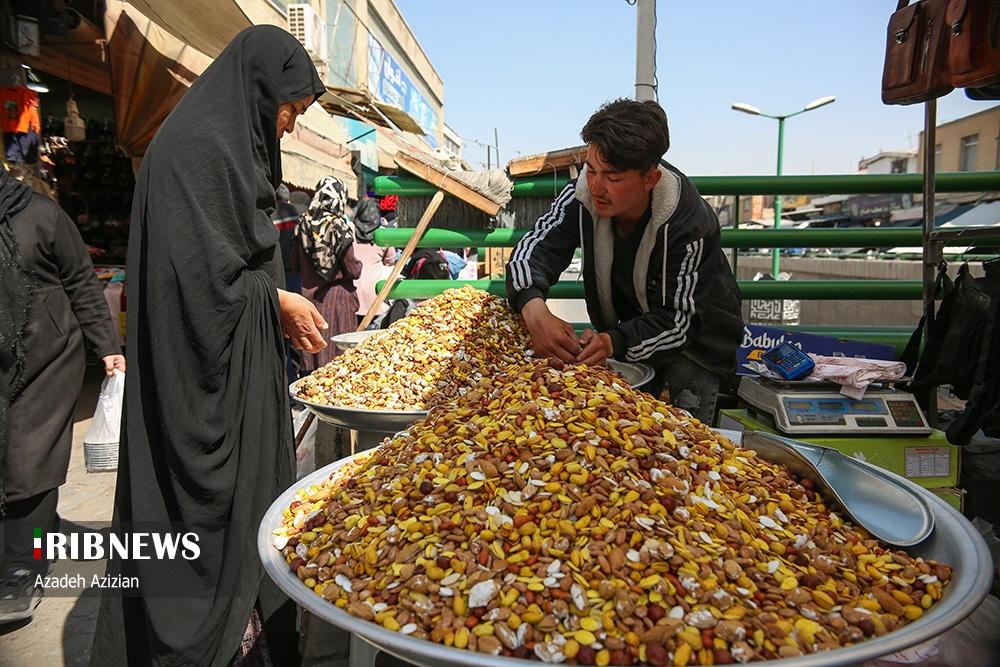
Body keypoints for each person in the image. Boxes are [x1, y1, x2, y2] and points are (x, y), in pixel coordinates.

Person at [91, 26, 328, 666]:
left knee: (251, 519)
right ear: (259, 91)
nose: (289, 126)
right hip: (195, 383)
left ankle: (250, 634)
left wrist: (269, 302)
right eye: (289, 109)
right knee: (203, 525)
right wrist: (273, 301)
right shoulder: (192, 153)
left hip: (238, 370)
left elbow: (238, 256)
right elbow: (193, 285)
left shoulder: (232, 153)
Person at [506, 98, 743, 424]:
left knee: (685, 437)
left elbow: (680, 322)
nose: (596, 187)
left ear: (650, 179)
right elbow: (533, 250)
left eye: (613, 178)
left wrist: (613, 341)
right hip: (625, 339)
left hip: (695, 348)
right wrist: (533, 309)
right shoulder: (581, 195)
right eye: (591, 169)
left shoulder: (691, 223)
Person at [0, 165, 123, 623]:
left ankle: (20, 571)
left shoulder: (42, 214)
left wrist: (107, 347)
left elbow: (82, 283)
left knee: (29, 459)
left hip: (46, 361)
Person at [292, 176, 363, 371]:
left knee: (315, 355)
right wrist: (359, 265)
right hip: (338, 301)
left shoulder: (302, 223)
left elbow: (295, 263)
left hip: (309, 299)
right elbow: (352, 269)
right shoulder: (338, 225)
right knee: (339, 360)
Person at [352, 197, 395, 325]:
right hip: (376, 292)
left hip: (353, 289)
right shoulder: (383, 233)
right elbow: (390, 261)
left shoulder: (348, 229)